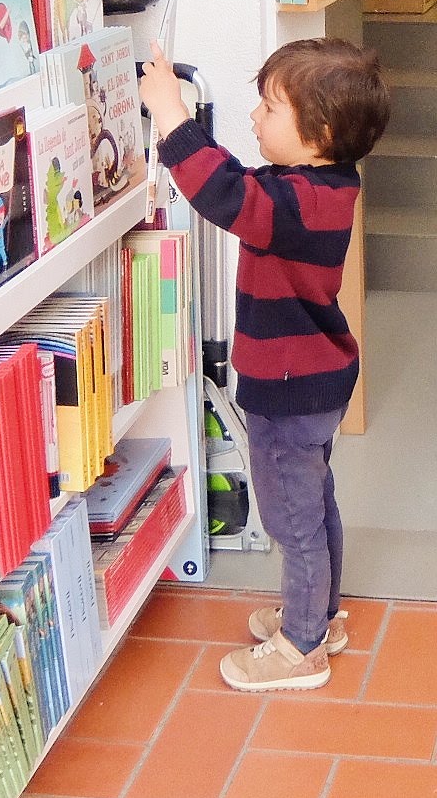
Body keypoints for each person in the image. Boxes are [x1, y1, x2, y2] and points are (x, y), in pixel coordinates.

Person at [139, 36, 391, 691]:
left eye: (270, 108)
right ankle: (323, 615)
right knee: (316, 500)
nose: (255, 118)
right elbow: (240, 185)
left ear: (319, 134)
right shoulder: (319, 185)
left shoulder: (299, 204)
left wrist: (171, 115)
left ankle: (301, 645)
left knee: (292, 519)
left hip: (290, 388)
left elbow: (226, 196)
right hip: (314, 380)